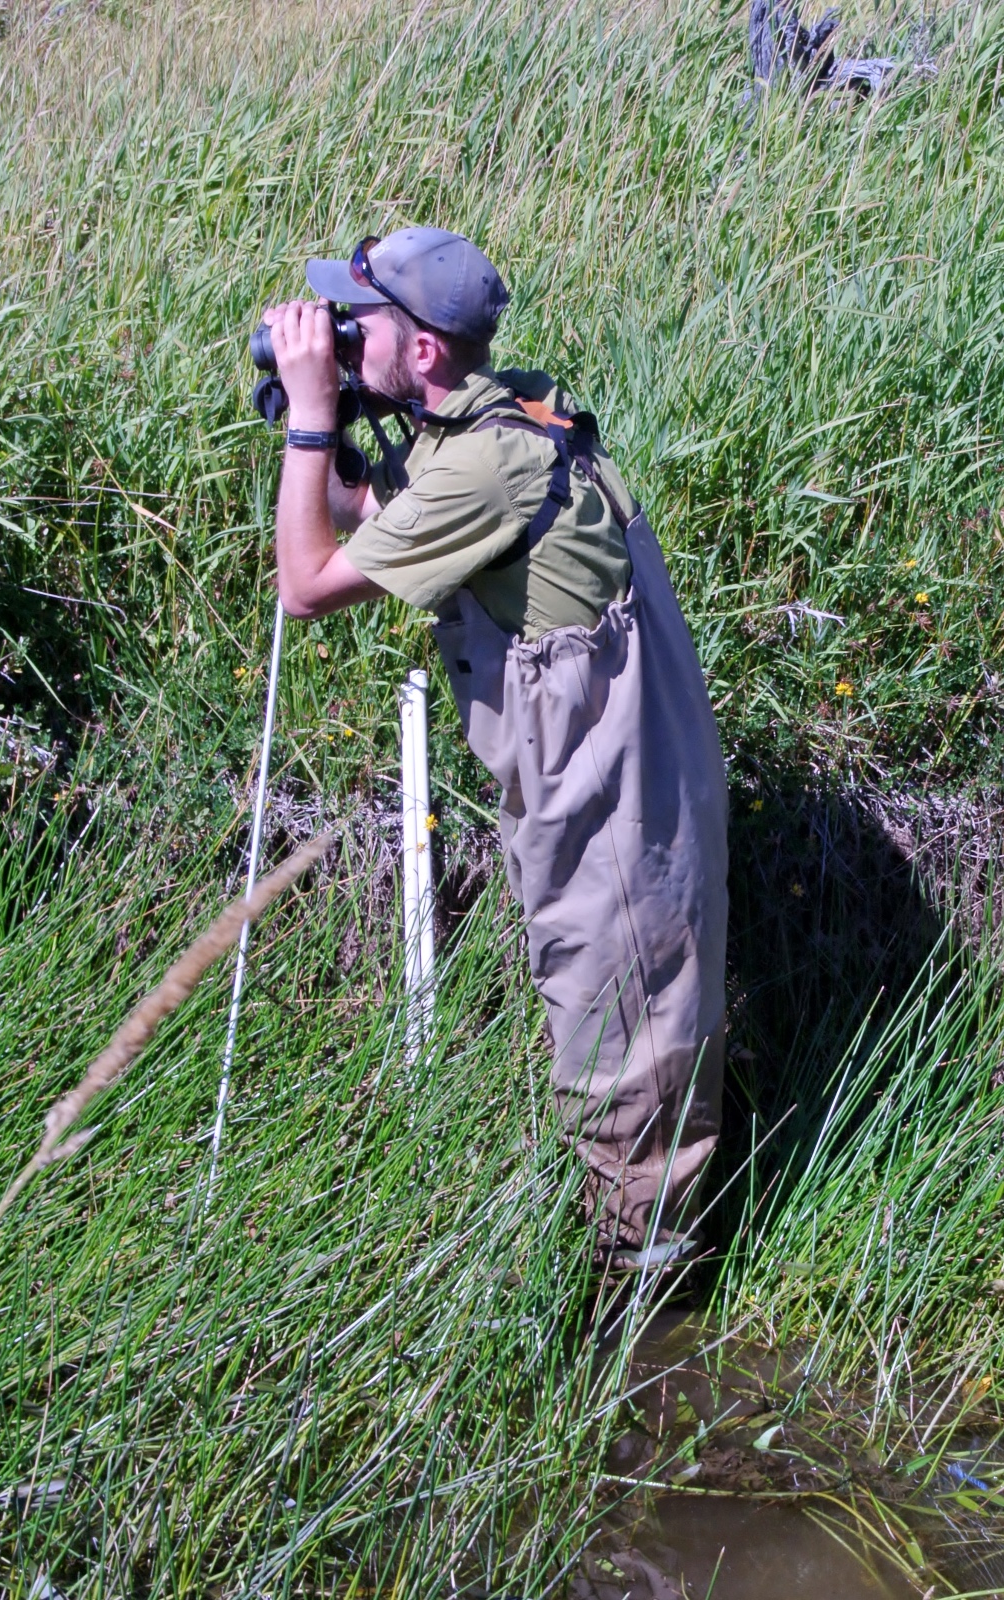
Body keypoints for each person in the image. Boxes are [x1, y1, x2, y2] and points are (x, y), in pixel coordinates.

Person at [263, 227, 728, 1272]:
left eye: (357, 319)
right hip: (611, 752)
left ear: (423, 351)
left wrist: (305, 422)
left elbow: (306, 586)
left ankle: (649, 1301)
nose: (336, 329)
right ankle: (646, 1257)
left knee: (621, 1026)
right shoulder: (500, 417)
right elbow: (377, 521)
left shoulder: (486, 464)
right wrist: (323, 424)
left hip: (612, 779)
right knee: (626, 1007)